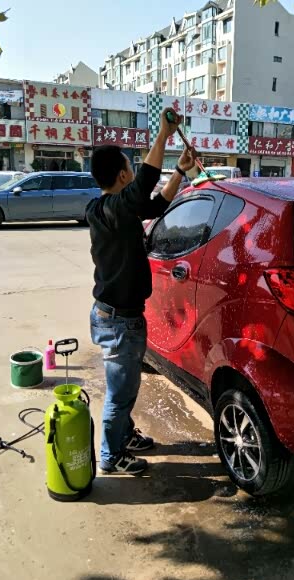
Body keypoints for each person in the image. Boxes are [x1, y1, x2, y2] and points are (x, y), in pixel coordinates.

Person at [86, 108, 197, 475]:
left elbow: (155, 204)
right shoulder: (113, 208)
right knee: (120, 394)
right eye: (129, 167)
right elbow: (143, 186)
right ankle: (111, 456)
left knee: (126, 388)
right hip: (118, 322)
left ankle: (124, 435)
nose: (134, 171)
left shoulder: (107, 209)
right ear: (122, 175)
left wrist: (179, 171)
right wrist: (163, 134)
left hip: (115, 315)